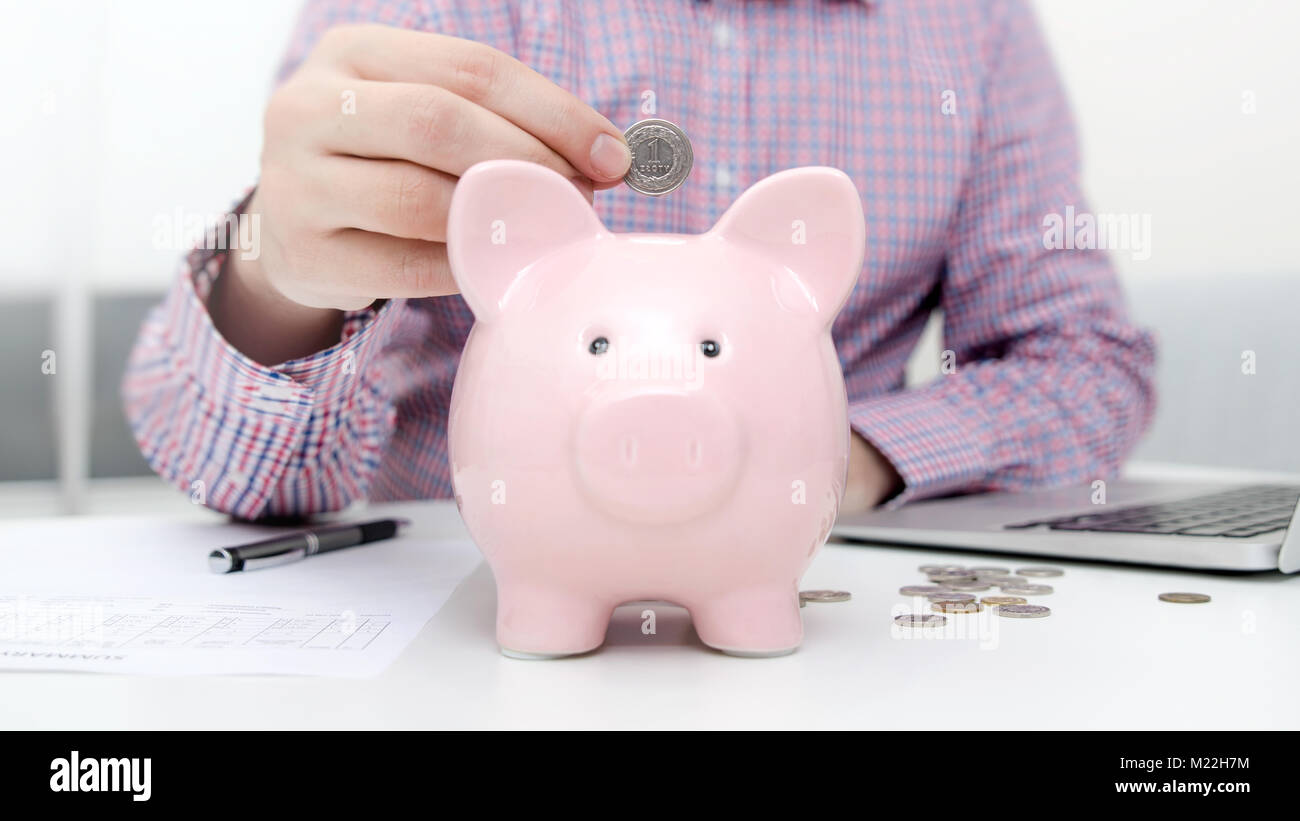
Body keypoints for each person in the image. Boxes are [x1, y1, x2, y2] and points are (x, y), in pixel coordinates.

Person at [122, 0, 1156, 520]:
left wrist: (826, 459)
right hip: (467, 600)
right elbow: (237, 477)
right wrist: (280, 279)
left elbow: (1083, 363)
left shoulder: (969, 27)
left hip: (814, 600)